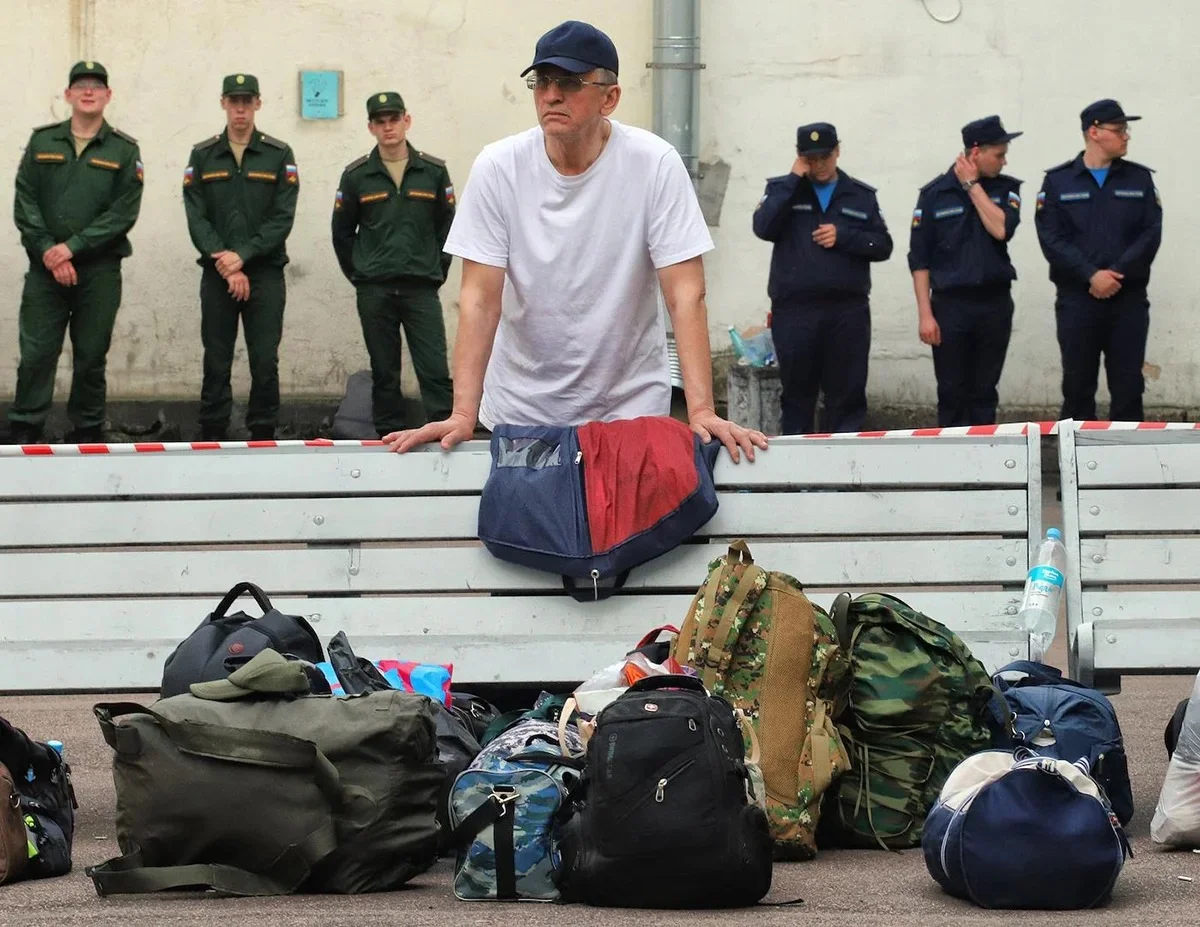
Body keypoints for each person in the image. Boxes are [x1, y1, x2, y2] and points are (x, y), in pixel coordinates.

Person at [385, 20, 766, 462]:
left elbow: (685, 293)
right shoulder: (499, 167)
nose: (551, 95)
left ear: (610, 98)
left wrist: (701, 410)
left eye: (569, 82)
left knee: (627, 511)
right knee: (526, 511)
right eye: (542, 82)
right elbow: (479, 300)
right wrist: (462, 413)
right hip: (521, 410)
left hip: (629, 409)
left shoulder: (654, 163)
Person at [7, 60, 143, 444]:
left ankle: (86, 430)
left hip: (98, 272)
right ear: (67, 94)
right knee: (36, 354)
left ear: (108, 95)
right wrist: (49, 251)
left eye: (96, 86)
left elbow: (122, 213)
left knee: (91, 355)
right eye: (80, 85)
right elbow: (26, 202)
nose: (88, 91)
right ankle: (26, 427)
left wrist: (72, 248)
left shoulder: (124, 150)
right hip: (45, 270)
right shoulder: (42, 142)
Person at [752, 123, 892, 435]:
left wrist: (844, 236)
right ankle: (797, 464)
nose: (819, 165)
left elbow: (883, 245)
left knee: (847, 396)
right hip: (795, 313)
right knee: (797, 397)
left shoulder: (860, 195)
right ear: (800, 157)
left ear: (837, 151)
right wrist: (792, 179)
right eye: (811, 159)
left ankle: (844, 463)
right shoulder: (783, 190)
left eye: (825, 157)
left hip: (847, 313)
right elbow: (763, 227)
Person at [183, 73, 299, 441]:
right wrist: (226, 262)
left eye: (247, 101)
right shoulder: (203, 155)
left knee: (264, 357)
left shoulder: (278, 155)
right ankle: (212, 429)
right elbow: (196, 215)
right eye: (234, 101)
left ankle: (263, 430)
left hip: (265, 273)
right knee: (216, 358)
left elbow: (282, 216)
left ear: (257, 104)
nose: (240, 109)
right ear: (223, 103)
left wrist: (243, 256)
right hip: (218, 273)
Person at [332, 91, 455, 437]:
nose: (388, 127)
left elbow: (448, 227)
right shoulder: (357, 175)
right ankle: (388, 434)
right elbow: (342, 233)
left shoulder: (432, 172)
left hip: (421, 287)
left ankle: (444, 432)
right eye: (380, 121)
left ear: (406, 121)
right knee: (385, 370)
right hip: (376, 289)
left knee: (434, 368)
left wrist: (435, 270)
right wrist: (362, 275)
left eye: (394, 119)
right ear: (371, 127)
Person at [1035, 99, 1162, 422]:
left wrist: (1116, 272)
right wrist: (1090, 274)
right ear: (1094, 132)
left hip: (1127, 298)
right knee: (1077, 386)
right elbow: (1051, 238)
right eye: (1119, 130)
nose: (1126, 136)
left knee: (1129, 387)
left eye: (1125, 129)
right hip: (1078, 300)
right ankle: (1077, 453)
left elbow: (1150, 233)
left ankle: (1126, 454)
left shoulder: (1139, 179)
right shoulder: (1058, 182)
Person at [908, 115, 1024, 427]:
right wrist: (925, 315)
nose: (1004, 161)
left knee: (984, 391)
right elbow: (919, 259)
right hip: (950, 306)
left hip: (994, 302)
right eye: (998, 154)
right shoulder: (934, 195)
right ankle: (953, 455)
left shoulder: (1007, 189)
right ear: (975, 153)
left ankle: (986, 455)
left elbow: (1001, 229)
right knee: (951, 391)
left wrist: (973, 188)